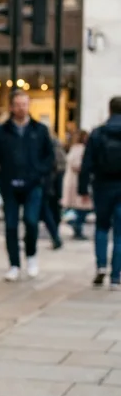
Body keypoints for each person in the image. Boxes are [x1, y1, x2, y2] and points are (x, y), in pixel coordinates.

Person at [0, 90, 55, 281]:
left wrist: (40, 173)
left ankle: (31, 256)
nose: (21, 108)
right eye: (17, 104)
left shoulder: (39, 130)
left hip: (33, 184)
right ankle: (14, 264)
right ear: (11, 107)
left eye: (24, 104)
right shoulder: (2, 131)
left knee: (31, 221)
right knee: (10, 225)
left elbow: (49, 156)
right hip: (9, 185)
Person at [78, 96, 121, 287]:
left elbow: (87, 163)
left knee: (102, 227)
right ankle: (116, 275)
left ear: (109, 110)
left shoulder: (98, 133)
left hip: (102, 185)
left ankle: (101, 265)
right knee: (120, 232)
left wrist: (83, 187)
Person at [62, 130, 92, 239]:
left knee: (78, 207)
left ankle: (75, 226)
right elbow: (77, 165)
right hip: (77, 182)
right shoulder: (81, 149)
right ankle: (76, 226)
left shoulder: (74, 148)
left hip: (73, 182)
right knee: (82, 208)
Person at [40, 128, 66, 250]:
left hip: (48, 183)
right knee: (51, 210)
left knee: (45, 210)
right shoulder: (57, 145)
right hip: (54, 183)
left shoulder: (49, 146)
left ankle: (55, 237)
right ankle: (55, 236)